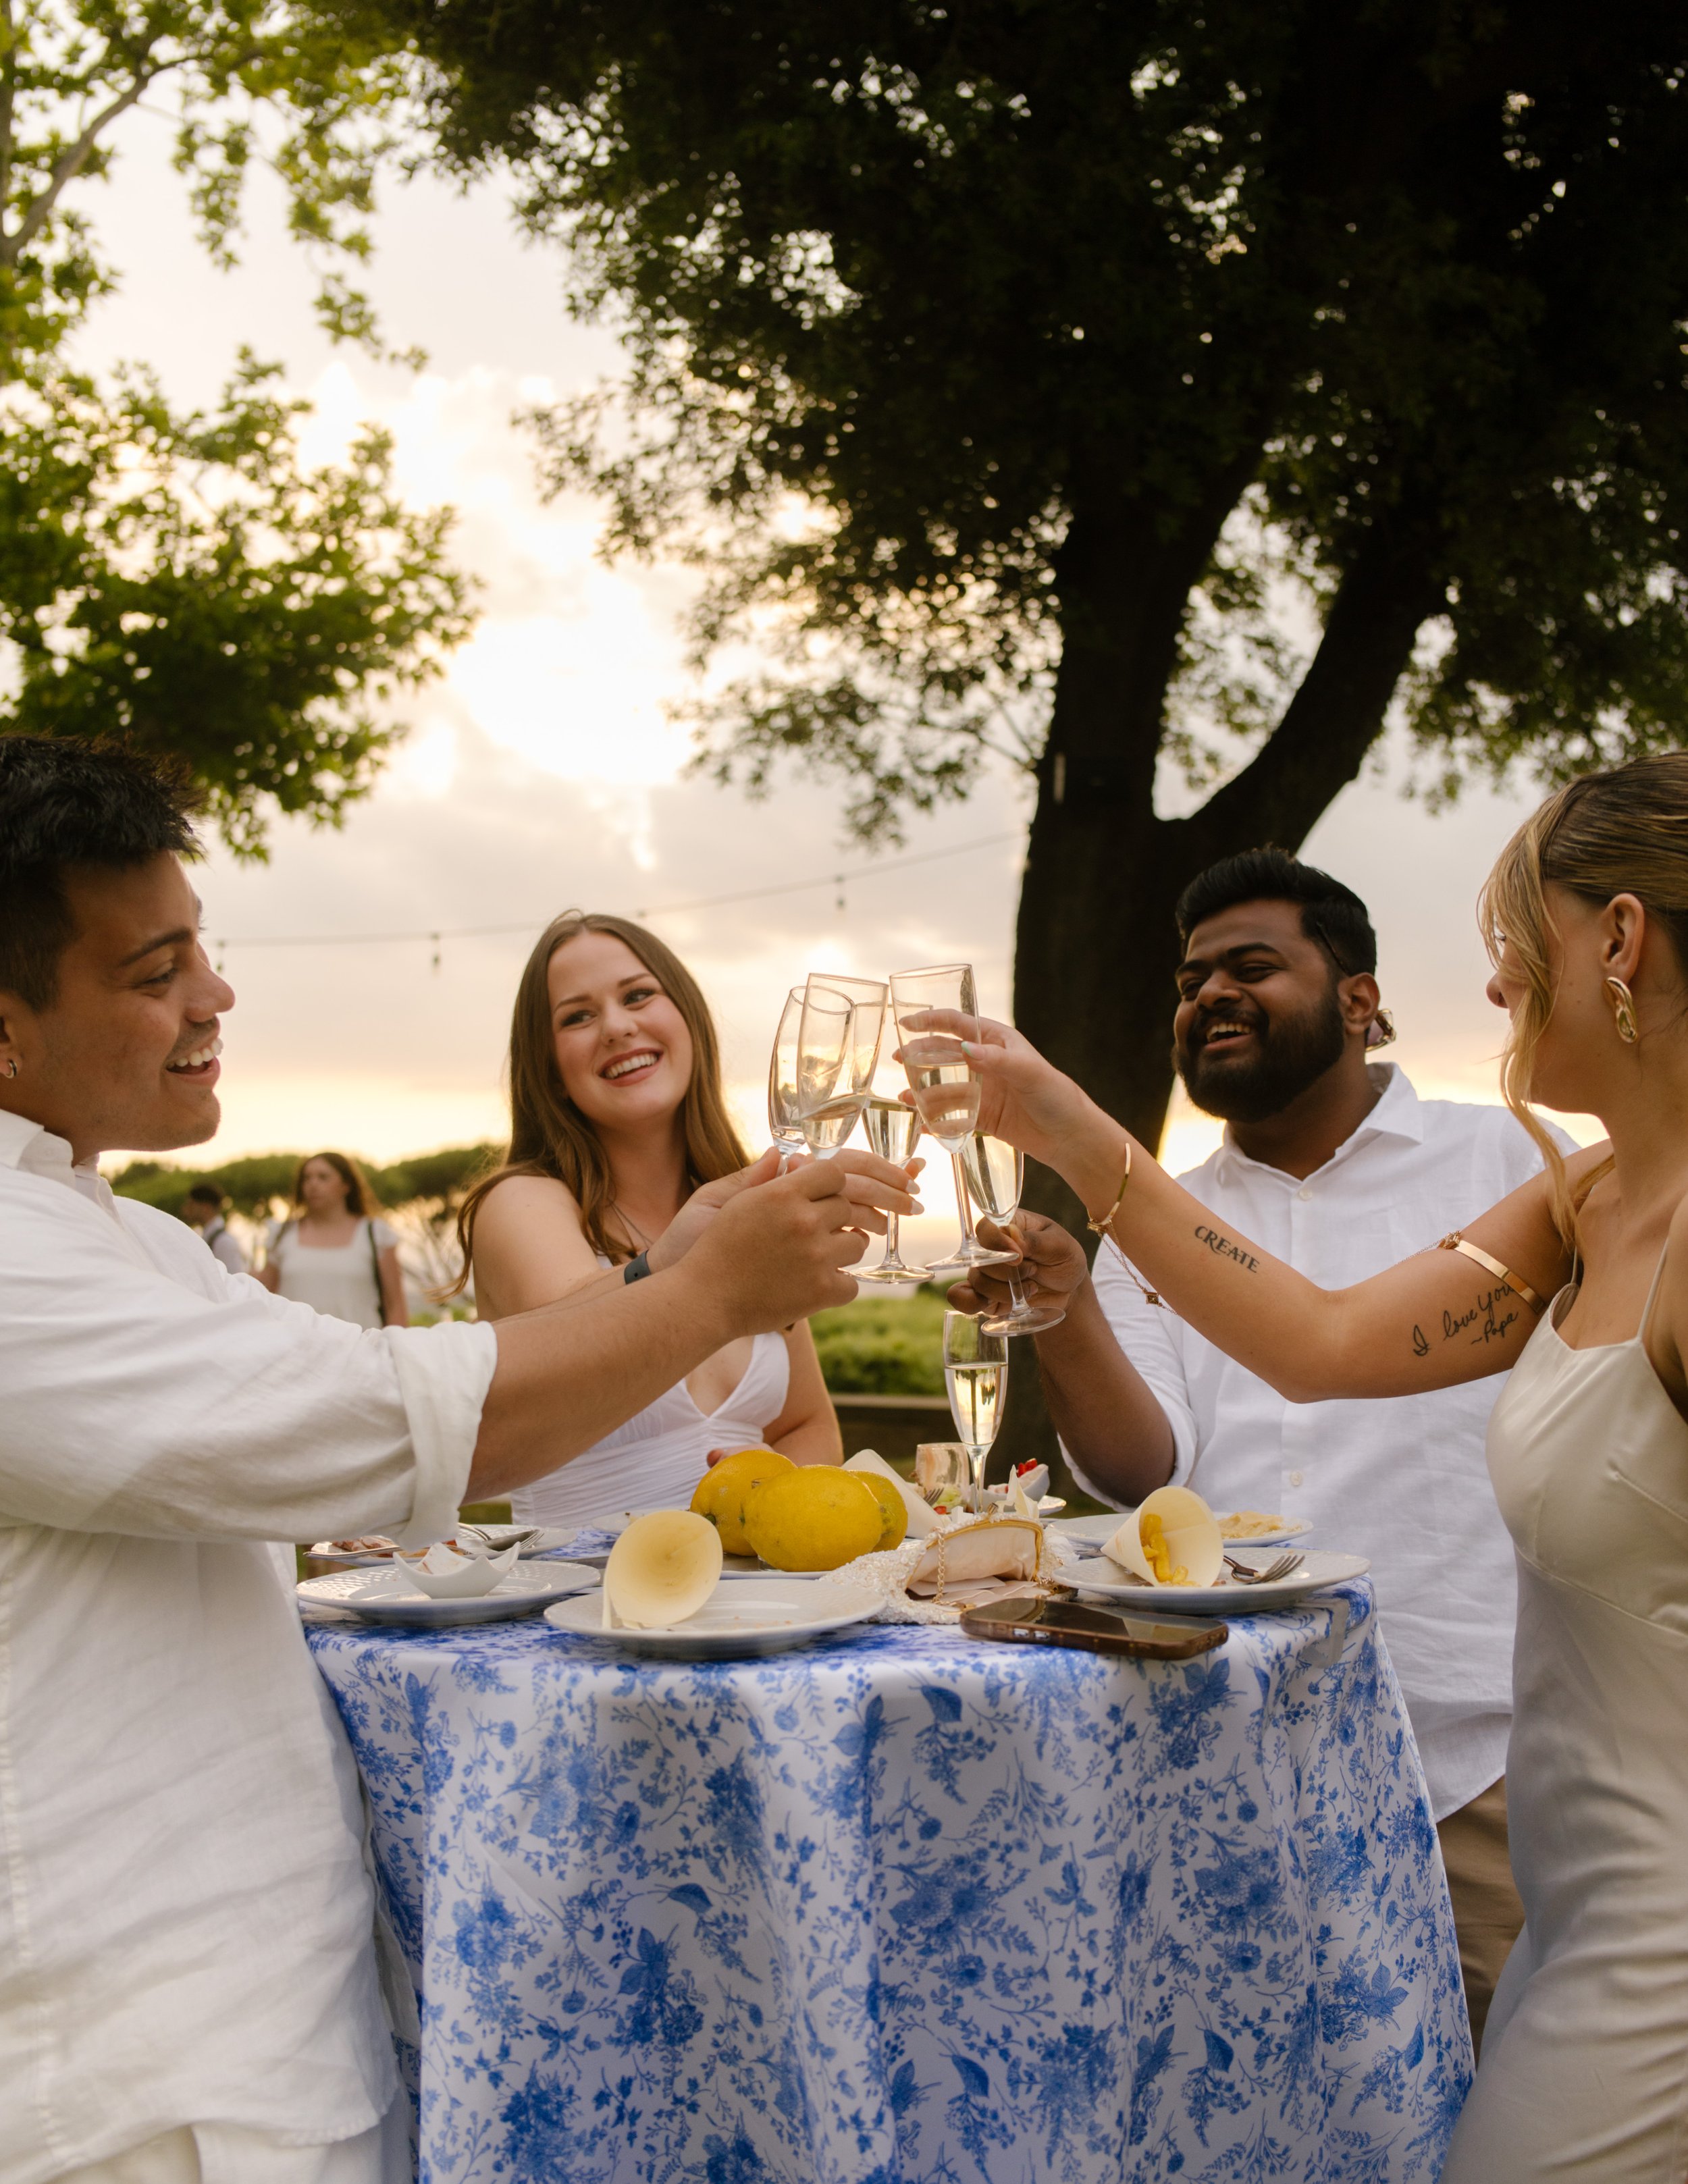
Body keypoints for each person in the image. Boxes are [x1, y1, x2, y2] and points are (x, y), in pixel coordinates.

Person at [0, 735, 916, 2184]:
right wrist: (696, 1295)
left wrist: (670, 1271)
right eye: (154, 969)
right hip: (134, 2082)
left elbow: (339, 1409)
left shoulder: (117, 1232)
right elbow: (394, 1417)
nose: (216, 994)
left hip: (253, 2026)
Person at [924, 752, 1688, 2183]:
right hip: (1562, 1887)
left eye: (1517, 946)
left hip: (1634, 1889)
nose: (1498, 990)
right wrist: (1064, 1137)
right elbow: (1320, 1342)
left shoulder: (1573, 1182)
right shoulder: (1581, 1197)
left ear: (1622, 943)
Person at [955, 848, 1568, 2050]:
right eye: (1191, 980)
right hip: (1227, 1755)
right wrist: (1071, 1309)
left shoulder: (1512, 1165)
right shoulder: (1153, 1220)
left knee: (1518, 2114)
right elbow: (1145, 1472)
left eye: (1252, 966)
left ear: (1359, 997)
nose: (1210, 996)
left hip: (1480, 1770)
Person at [460, 911, 859, 1526]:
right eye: (577, 1016)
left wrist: (767, 1498)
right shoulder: (523, 1201)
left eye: (639, 994)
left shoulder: (745, 1209)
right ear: (550, 1069)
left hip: (755, 1600)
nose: (618, 1026)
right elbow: (573, 1325)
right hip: (583, 1600)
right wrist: (673, 1262)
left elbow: (807, 1424)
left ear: (689, 1019)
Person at [259, 1152, 409, 1329]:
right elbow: (264, 1297)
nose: (313, 1184)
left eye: (323, 1177)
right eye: (307, 1178)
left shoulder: (375, 1233)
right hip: (295, 1350)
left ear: (346, 1185)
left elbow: (395, 1304)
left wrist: (395, 1348)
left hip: (360, 1351)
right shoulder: (282, 1234)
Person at [180, 1179, 246, 1276]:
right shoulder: (211, 1237)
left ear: (205, 1208)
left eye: (191, 1205)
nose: (185, 1209)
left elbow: (234, 1280)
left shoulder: (224, 1242)